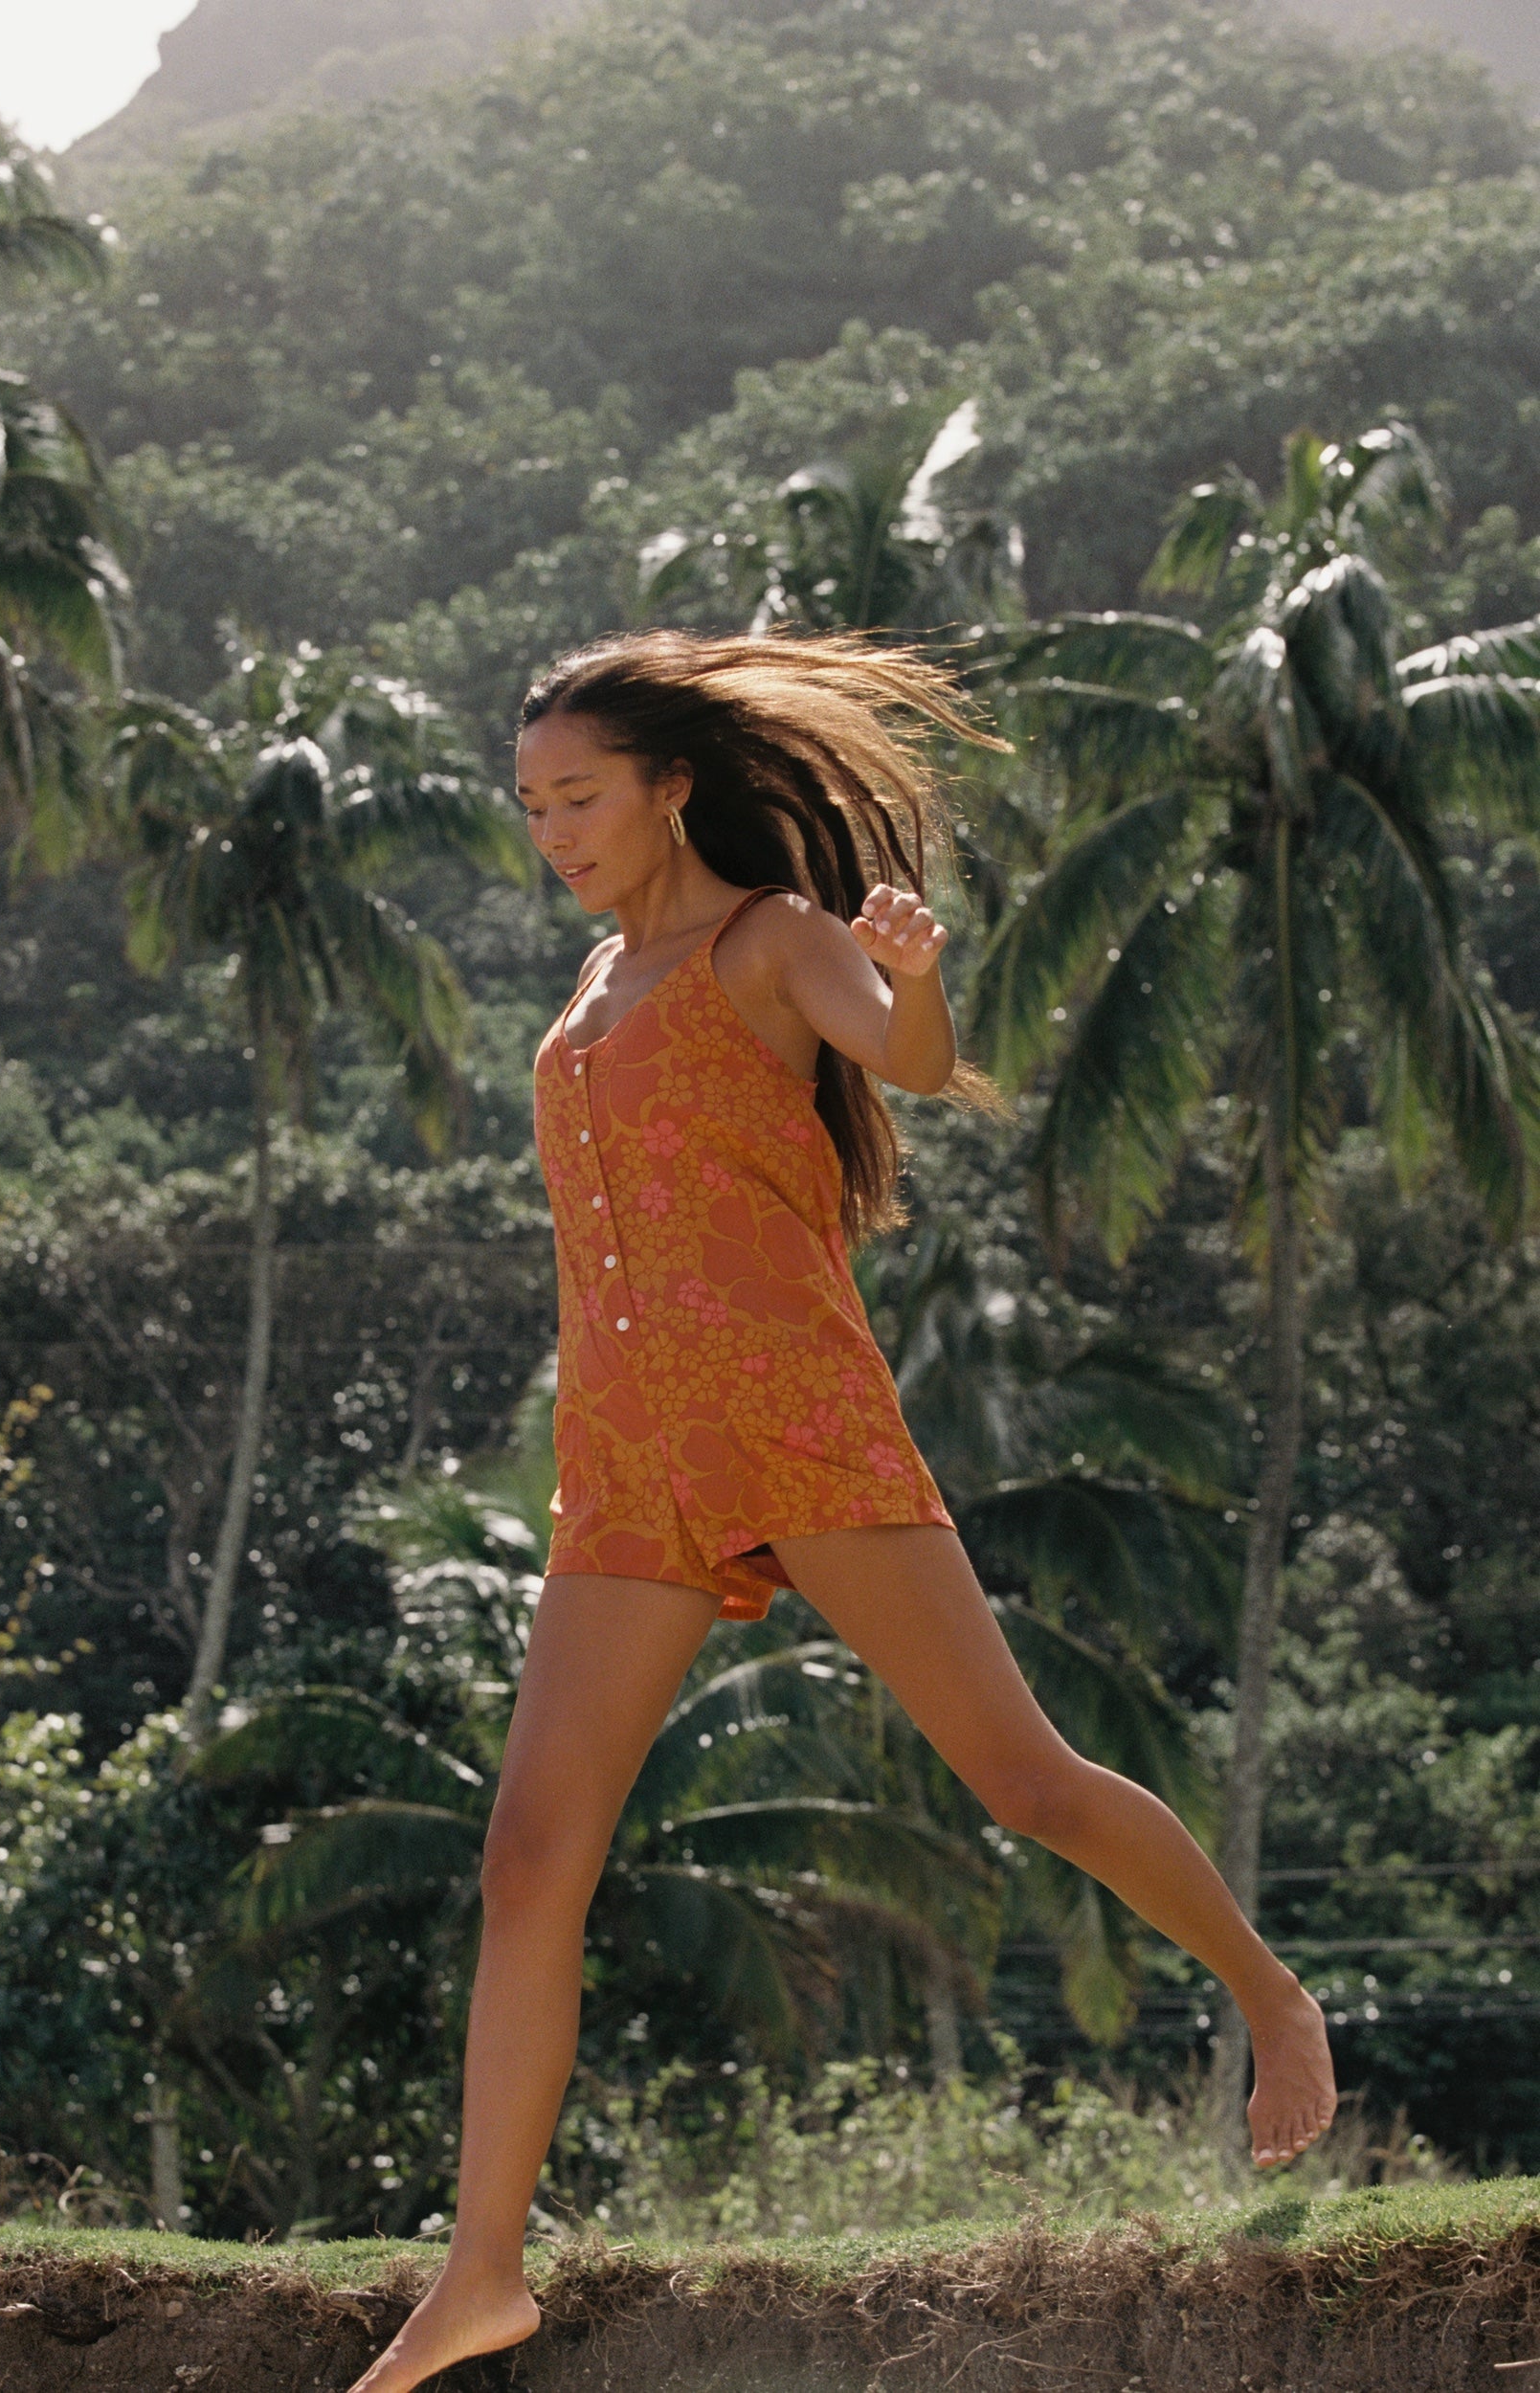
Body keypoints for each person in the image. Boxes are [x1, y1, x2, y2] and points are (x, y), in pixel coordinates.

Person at [347, 630, 1336, 2393]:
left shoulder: (771, 940)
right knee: (526, 1860)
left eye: (580, 796)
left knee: (1021, 1780)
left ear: (671, 786)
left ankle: (1271, 1995)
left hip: (795, 1425)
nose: (554, 829)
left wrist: (913, 976)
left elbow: (901, 1055)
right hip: (628, 1464)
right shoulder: (586, 986)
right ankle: (481, 2271)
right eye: (530, 806)